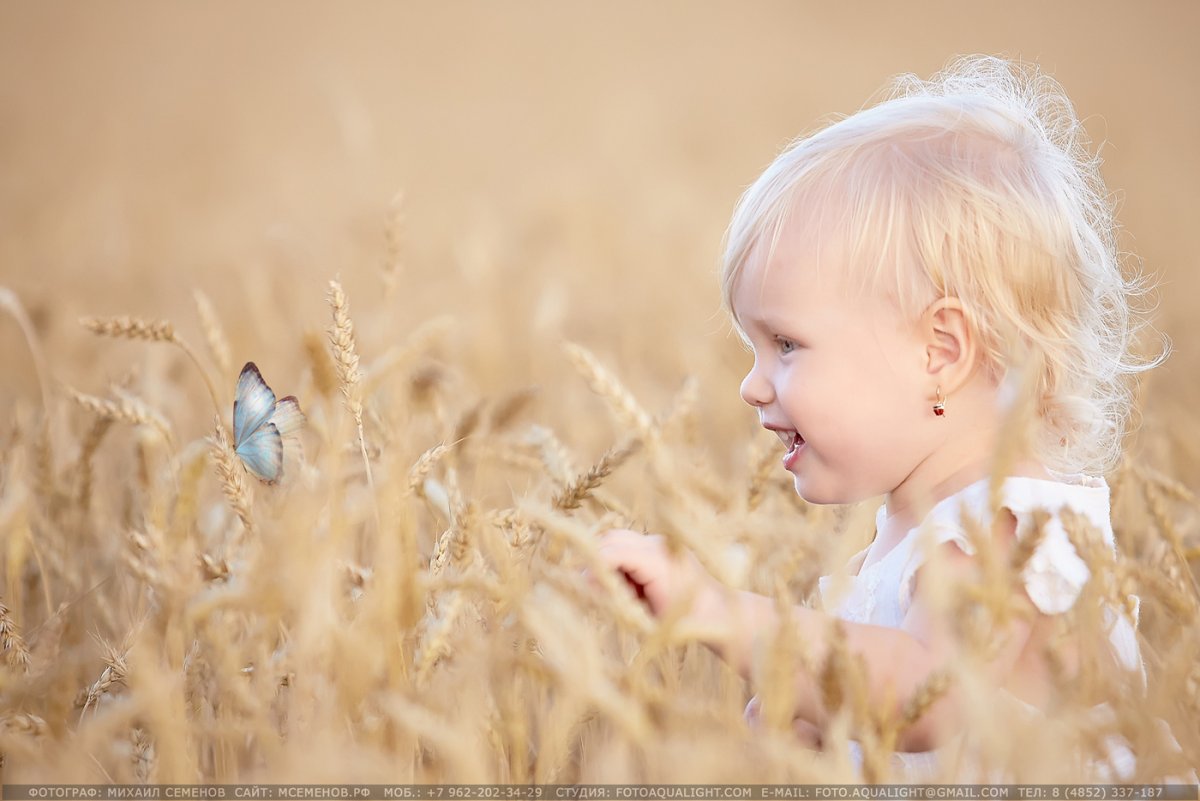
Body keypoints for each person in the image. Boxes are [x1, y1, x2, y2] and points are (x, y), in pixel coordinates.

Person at [595, 55, 1174, 779]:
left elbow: (925, 693)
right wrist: (816, 717)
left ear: (941, 350)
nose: (751, 384)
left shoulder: (1004, 529)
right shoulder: (913, 533)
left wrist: (716, 608)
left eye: (786, 345)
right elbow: (880, 696)